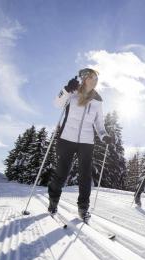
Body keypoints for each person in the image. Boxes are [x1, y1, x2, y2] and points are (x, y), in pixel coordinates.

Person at [48, 68, 113, 220]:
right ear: (84, 79)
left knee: (85, 176)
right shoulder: (72, 93)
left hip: (86, 142)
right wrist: (65, 90)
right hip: (67, 139)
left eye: (96, 78)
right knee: (61, 173)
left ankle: (83, 208)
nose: (94, 80)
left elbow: (99, 124)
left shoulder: (97, 100)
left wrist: (104, 136)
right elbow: (57, 103)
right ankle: (53, 201)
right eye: (91, 77)